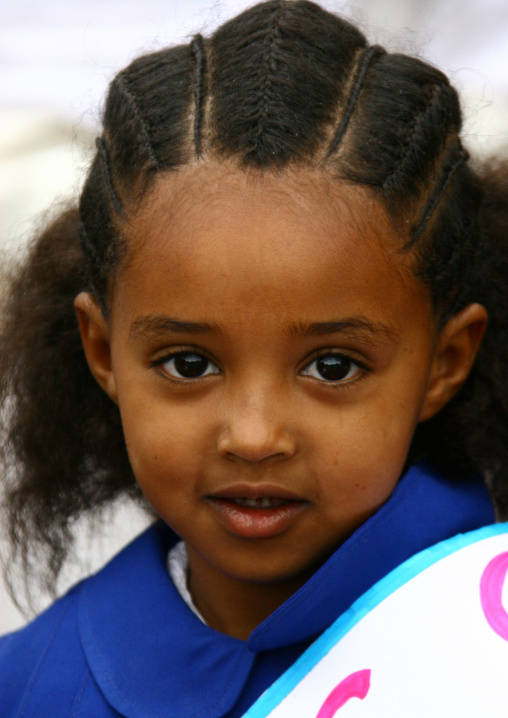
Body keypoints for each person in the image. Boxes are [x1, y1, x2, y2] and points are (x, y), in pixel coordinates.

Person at [0, 1, 507, 715]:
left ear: (446, 362)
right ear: (102, 350)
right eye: (188, 364)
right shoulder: (31, 685)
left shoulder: (484, 644)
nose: (255, 436)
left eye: (332, 367)